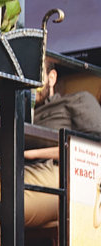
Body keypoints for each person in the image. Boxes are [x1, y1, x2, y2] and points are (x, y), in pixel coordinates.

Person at [19, 58, 101, 228]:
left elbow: (94, 149)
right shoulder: (19, 114)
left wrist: (31, 154)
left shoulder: (77, 101)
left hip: (60, 173)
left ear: (52, 77)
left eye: (36, 71)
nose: (30, 80)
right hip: (17, 172)